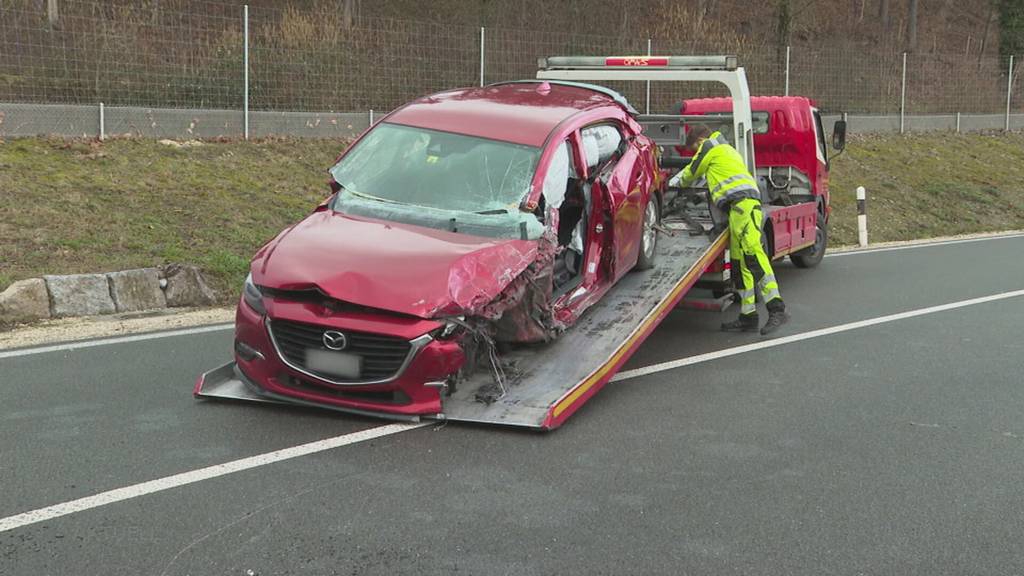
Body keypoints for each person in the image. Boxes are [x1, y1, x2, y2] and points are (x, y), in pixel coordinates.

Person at [671, 124, 789, 335]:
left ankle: (777, 309)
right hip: (737, 210)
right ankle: (748, 316)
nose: (695, 153)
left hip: (743, 206)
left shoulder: (710, 146)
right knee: (739, 264)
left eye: (694, 149)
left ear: (699, 141)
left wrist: (671, 183)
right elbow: (719, 182)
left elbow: (691, 172)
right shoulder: (726, 150)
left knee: (753, 255)